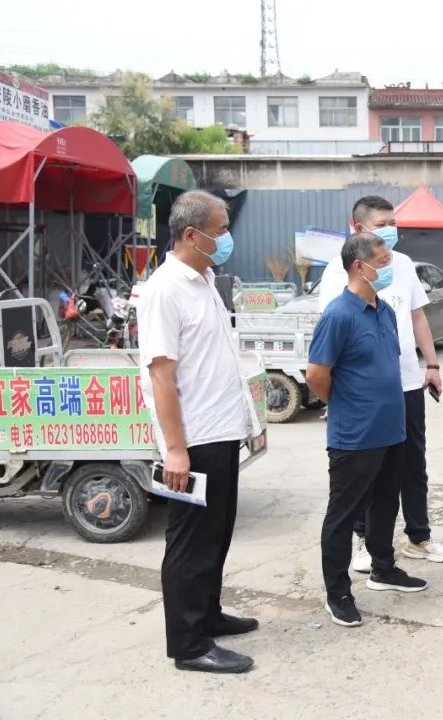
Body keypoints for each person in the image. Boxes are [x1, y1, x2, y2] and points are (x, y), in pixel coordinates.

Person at [138, 190, 263, 673]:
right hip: (193, 439)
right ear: (192, 234)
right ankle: (189, 646)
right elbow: (161, 376)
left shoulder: (203, 278)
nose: (228, 236)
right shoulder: (165, 290)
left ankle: (207, 614)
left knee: (216, 533)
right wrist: (175, 449)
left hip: (221, 432)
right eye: (222, 228)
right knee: (189, 542)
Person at [318, 196, 443, 573]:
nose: (391, 230)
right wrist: (337, 397)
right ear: (358, 227)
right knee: (369, 472)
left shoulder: (404, 264)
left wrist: (432, 363)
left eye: (393, 222)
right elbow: (332, 338)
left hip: (407, 384)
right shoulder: (337, 271)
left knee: (413, 464)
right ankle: (365, 542)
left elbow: (417, 316)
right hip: (364, 394)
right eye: (382, 224)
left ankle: (418, 537)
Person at [307, 232, 428, 628]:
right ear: (359, 266)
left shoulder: (385, 311)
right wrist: (343, 406)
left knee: (384, 505)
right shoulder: (338, 315)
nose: (390, 265)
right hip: (355, 435)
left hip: (391, 430)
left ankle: (383, 568)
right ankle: (337, 592)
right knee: (343, 516)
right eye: (383, 258)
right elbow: (317, 375)